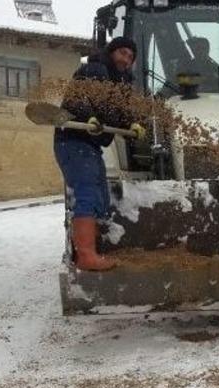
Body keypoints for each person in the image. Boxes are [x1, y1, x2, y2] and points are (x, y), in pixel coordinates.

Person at [54, 37, 146, 271]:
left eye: (130, 56)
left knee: (100, 199)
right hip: (73, 140)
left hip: (90, 146)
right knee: (87, 193)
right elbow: (79, 98)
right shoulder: (94, 69)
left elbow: (119, 110)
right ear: (112, 52)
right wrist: (87, 117)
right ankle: (86, 256)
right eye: (122, 53)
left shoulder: (121, 82)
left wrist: (133, 124)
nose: (126, 59)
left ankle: (90, 250)